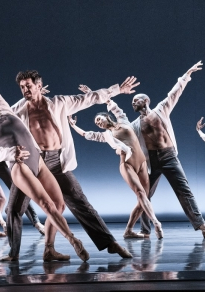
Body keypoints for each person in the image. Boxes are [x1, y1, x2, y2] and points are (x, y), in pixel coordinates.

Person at [0, 78, 90, 262]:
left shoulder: (5, 112)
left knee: (59, 205)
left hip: (38, 161)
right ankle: (74, 241)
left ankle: (49, 250)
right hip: (21, 168)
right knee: (47, 205)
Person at [10, 70, 132, 260]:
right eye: (22, 87)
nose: (25, 89)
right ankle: (13, 253)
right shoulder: (16, 110)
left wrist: (117, 90)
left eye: (28, 85)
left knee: (79, 201)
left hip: (57, 161)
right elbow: (0, 132)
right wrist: (12, 153)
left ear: (39, 86)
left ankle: (108, 243)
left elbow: (90, 98)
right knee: (15, 208)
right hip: (32, 163)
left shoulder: (59, 103)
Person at [68, 80, 163, 240]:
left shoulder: (123, 120)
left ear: (107, 117)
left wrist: (91, 93)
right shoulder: (105, 135)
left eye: (100, 120)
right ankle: (156, 223)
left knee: (143, 199)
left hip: (142, 162)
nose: (99, 123)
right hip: (127, 165)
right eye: (97, 123)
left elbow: (109, 103)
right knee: (140, 193)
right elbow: (86, 134)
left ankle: (128, 231)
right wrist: (73, 125)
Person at [131, 61, 205, 238]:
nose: (133, 103)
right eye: (132, 101)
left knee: (184, 190)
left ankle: (201, 225)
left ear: (146, 101)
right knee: (144, 194)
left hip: (169, 156)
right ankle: (145, 230)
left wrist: (187, 74)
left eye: (136, 100)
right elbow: (119, 135)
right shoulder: (134, 125)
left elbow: (174, 93)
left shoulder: (160, 110)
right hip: (150, 160)